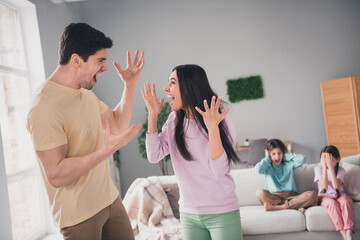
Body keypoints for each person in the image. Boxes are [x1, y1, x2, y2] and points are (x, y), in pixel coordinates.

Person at [26, 23, 143, 240]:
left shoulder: (85, 94)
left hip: (109, 200)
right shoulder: (44, 107)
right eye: (100, 61)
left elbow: (117, 124)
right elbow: (56, 174)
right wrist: (104, 152)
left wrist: (130, 84)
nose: (106, 68)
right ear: (77, 60)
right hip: (78, 216)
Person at [141, 64, 243, 240]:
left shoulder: (220, 119)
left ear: (189, 87)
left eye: (172, 83)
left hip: (222, 211)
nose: (166, 88)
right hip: (189, 214)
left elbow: (219, 171)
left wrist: (213, 129)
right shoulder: (174, 121)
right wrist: (152, 115)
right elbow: (154, 155)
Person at [255, 139, 318, 213]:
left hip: (292, 197)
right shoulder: (267, 167)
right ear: (269, 154)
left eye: (279, 153)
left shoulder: (289, 164)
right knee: (260, 193)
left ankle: (278, 207)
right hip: (275, 197)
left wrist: (285, 155)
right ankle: (294, 206)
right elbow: (258, 169)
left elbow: (302, 158)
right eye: (273, 154)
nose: (277, 156)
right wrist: (267, 157)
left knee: (313, 195)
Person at [314, 145, 355, 240]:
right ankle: (343, 233)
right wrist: (325, 168)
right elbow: (324, 185)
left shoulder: (341, 170)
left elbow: (336, 185)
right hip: (325, 198)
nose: (326, 161)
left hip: (340, 196)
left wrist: (331, 168)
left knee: (345, 201)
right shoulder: (318, 169)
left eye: (329, 158)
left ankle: (349, 231)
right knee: (332, 204)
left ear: (337, 159)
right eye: (323, 158)